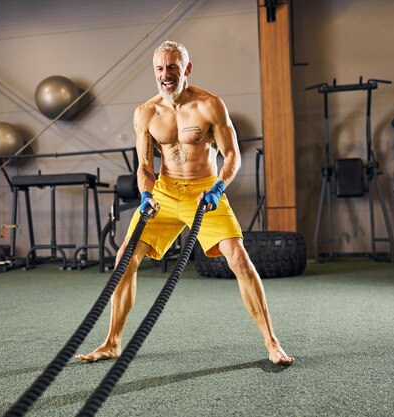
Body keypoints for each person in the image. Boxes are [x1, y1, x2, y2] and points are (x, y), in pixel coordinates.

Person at [76, 41, 294, 366]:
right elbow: (145, 167)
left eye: (173, 67)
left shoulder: (210, 105)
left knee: (239, 259)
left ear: (187, 69)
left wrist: (219, 187)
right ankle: (112, 342)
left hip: (204, 190)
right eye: (160, 69)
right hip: (163, 193)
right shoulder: (146, 113)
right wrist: (146, 194)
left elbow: (231, 155)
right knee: (124, 257)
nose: (166, 75)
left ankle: (272, 343)